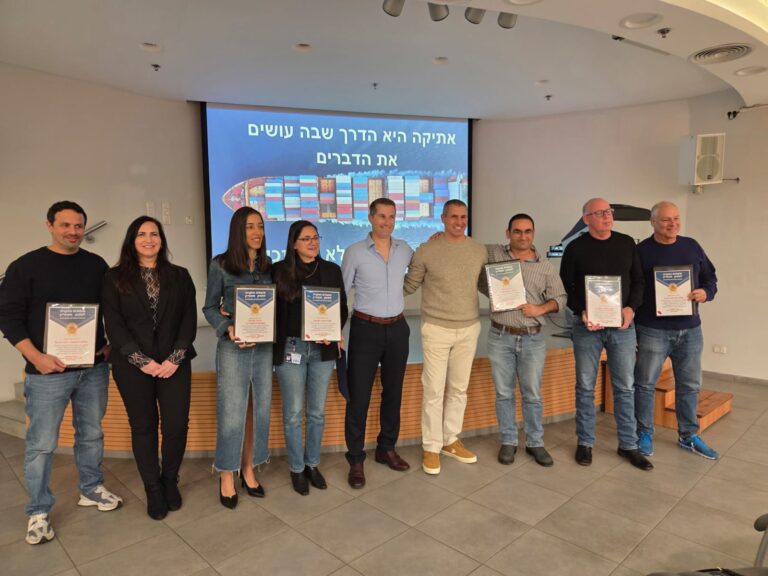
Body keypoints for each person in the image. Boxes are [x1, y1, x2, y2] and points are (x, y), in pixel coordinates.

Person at [0, 201, 122, 545]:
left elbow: (111, 310)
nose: (73, 231)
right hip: (46, 373)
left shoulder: (96, 265)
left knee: (91, 434)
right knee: (41, 445)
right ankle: (38, 510)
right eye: (65, 225)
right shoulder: (25, 267)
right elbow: (8, 317)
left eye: (78, 226)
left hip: (92, 369)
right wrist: (35, 357)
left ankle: (91, 488)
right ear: (50, 225)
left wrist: (109, 345)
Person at [102, 216, 197, 520]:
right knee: (143, 427)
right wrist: (142, 361)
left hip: (174, 364)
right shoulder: (114, 277)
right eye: (141, 234)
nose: (148, 239)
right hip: (132, 366)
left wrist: (174, 358)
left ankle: (169, 480)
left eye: (154, 234)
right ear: (132, 240)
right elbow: (113, 324)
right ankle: (153, 488)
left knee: (176, 426)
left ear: (161, 239)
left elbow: (188, 319)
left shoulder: (180, 275)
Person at [560, 197, 652, 471]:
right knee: (585, 387)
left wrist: (631, 309)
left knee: (624, 387)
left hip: (622, 328)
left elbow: (639, 281)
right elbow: (566, 287)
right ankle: (585, 442)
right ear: (586, 219)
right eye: (600, 213)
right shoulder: (575, 248)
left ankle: (628, 445)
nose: (607, 216)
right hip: (587, 328)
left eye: (608, 212)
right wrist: (581, 311)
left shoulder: (626, 243)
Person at [403, 199, 487, 475]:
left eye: (463, 217)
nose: (459, 222)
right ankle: (431, 446)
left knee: (459, 389)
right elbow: (409, 285)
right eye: (454, 217)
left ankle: (450, 440)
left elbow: (488, 285)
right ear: (443, 218)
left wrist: (515, 296)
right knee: (434, 390)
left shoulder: (478, 250)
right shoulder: (426, 250)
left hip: (469, 327)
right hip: (436, 328)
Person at [479, 213, 566, 467]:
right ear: (508, 233)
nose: (522, 236)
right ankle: (508, 441)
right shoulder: (494, 253)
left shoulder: (545, 266)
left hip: (532, 338)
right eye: (517, 231)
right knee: (504, 393)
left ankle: (535, 442)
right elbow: (466, 248)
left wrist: (540, 309)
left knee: (532, 395)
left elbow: (560, 299)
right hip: (500, 335)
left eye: (528, 231)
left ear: (533, 234)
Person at [634, 201, 719, 460]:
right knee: (645, 384)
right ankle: (643, 433)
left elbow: (710, 278)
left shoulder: (691, 246)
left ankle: (688, 435)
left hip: (690, 330)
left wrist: (705, 293)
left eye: (676, 219)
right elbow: (633, 288)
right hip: (652, 329)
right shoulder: (641, 251)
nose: (673, 224)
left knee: (690, 385)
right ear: (653, 222)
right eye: (665, 220)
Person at [203, 207, 272, 509]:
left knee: (257, 411)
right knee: (232, 412)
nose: (257, 232)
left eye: (260, 226)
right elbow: (209, 308)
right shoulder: (221, 265)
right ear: (237, 231)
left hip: (263, 348)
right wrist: (227, 326)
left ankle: (248, 468)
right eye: (249, 227)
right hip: (234, 348)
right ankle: (226, 474)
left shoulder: (268, 266)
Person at [341, 198, 413, 488]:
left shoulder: (405, 250)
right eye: (381, 216)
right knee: (359, 397)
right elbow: (341, 293)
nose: (387, 221)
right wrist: (336, 332)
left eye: (391, 216)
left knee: (393, 393)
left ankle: (386, 448)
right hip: (365, 329)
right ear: (370, 218)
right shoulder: (354, 252)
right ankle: (356, 459)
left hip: (397, 329)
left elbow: (423, 269)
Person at [273, 220, 348, 495]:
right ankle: (296, 468)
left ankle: (312, 464)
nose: (313, 242)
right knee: (293, 414)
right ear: (293, 243)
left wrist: (334, 332)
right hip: (291, 349)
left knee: (316, 413)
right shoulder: (278, 271)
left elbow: (342, 308)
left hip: (322, 351)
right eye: (306, 238)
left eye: (315, 237)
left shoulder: (331, 270)